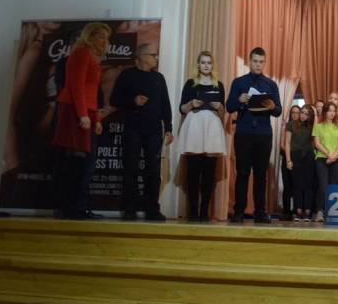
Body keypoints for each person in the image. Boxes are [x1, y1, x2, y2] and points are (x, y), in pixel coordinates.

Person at [52, 22, 110, 219]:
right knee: (76, 160)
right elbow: (76, 86)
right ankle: (72, 208)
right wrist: (83, 115)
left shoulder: (92, 56)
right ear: (90, 36)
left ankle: (80, 206)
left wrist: (96, 118)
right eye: (101, 36)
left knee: (86, 161)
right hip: (74, 110)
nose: (105, 41)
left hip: (87, 111)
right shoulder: (81, 53)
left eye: (106, 38)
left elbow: (92, 92)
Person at [110, 42, 173, 221]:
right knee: (130, 168)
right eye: (153, 55)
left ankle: (152, 209)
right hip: (133, 129)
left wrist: (168, 128)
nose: (156, 58)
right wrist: (133, 101)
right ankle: (129, 209)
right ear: (142, 57)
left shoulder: (158, 78)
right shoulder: (127, 75)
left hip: (154, 130)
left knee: (153, 170)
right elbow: (114, 99)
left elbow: (165, 105)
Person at [225, 47, 282, 224]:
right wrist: (239, 100)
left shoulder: (271, 84)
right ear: (250, 62)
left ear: (264, 63)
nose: (258, 65)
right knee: (242, 173)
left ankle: (260, 212)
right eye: (255, 61)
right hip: (244, 133)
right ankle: (239, 211)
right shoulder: (239, 82)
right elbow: (229, 107)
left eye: (261, 62)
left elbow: (278, 111)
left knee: (260, 174)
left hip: (264, 134)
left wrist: (272, 106)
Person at [176, 51, 227, 222]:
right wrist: (191, 104)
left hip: (212, 128)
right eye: (203, 62)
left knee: (209, 174)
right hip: (194, 127)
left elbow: (223, 112)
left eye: (209, 62)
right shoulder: (190, 84)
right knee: (193, 173)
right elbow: (181, 109)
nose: (206, 65)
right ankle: (193, 211)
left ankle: (204, 211)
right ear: (198, 65)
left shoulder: (218, 85)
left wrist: (219, 106)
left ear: (213, 65)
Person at [312, 102, 338, 222]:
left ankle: (329, 212)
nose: (332, 113)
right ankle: (319, 211)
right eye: (329, 110)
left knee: (332, 186)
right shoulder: (318, 126)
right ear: (325, 112)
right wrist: (328, 154)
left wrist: (334, 156)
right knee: (323, 185)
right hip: (322, 158)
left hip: (336, 159)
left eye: (334, 111)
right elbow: (317, 144)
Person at [286, 104, 316, 222]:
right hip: (295, 155)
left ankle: (307, 211)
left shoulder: (311, 126)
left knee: (308, 184)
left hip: (308, 156)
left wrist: (315, 115)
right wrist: (288, 160)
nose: (303, 115)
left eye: (306, 114)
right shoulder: (291, 124)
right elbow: (287, 143)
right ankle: (298, 211)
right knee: (297, 184)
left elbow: (315, 136)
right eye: (302, 113)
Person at [279, 105, 300, 220]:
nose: (295, 115)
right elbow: (282, 145)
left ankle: (295, 211)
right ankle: (286, 211)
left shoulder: (303, 127)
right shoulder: (287, 126)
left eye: (297, 112)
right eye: (293, 113)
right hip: (287, 159)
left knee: (296, 186)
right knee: (287, 186)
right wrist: (290, 153)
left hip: (299, 160)